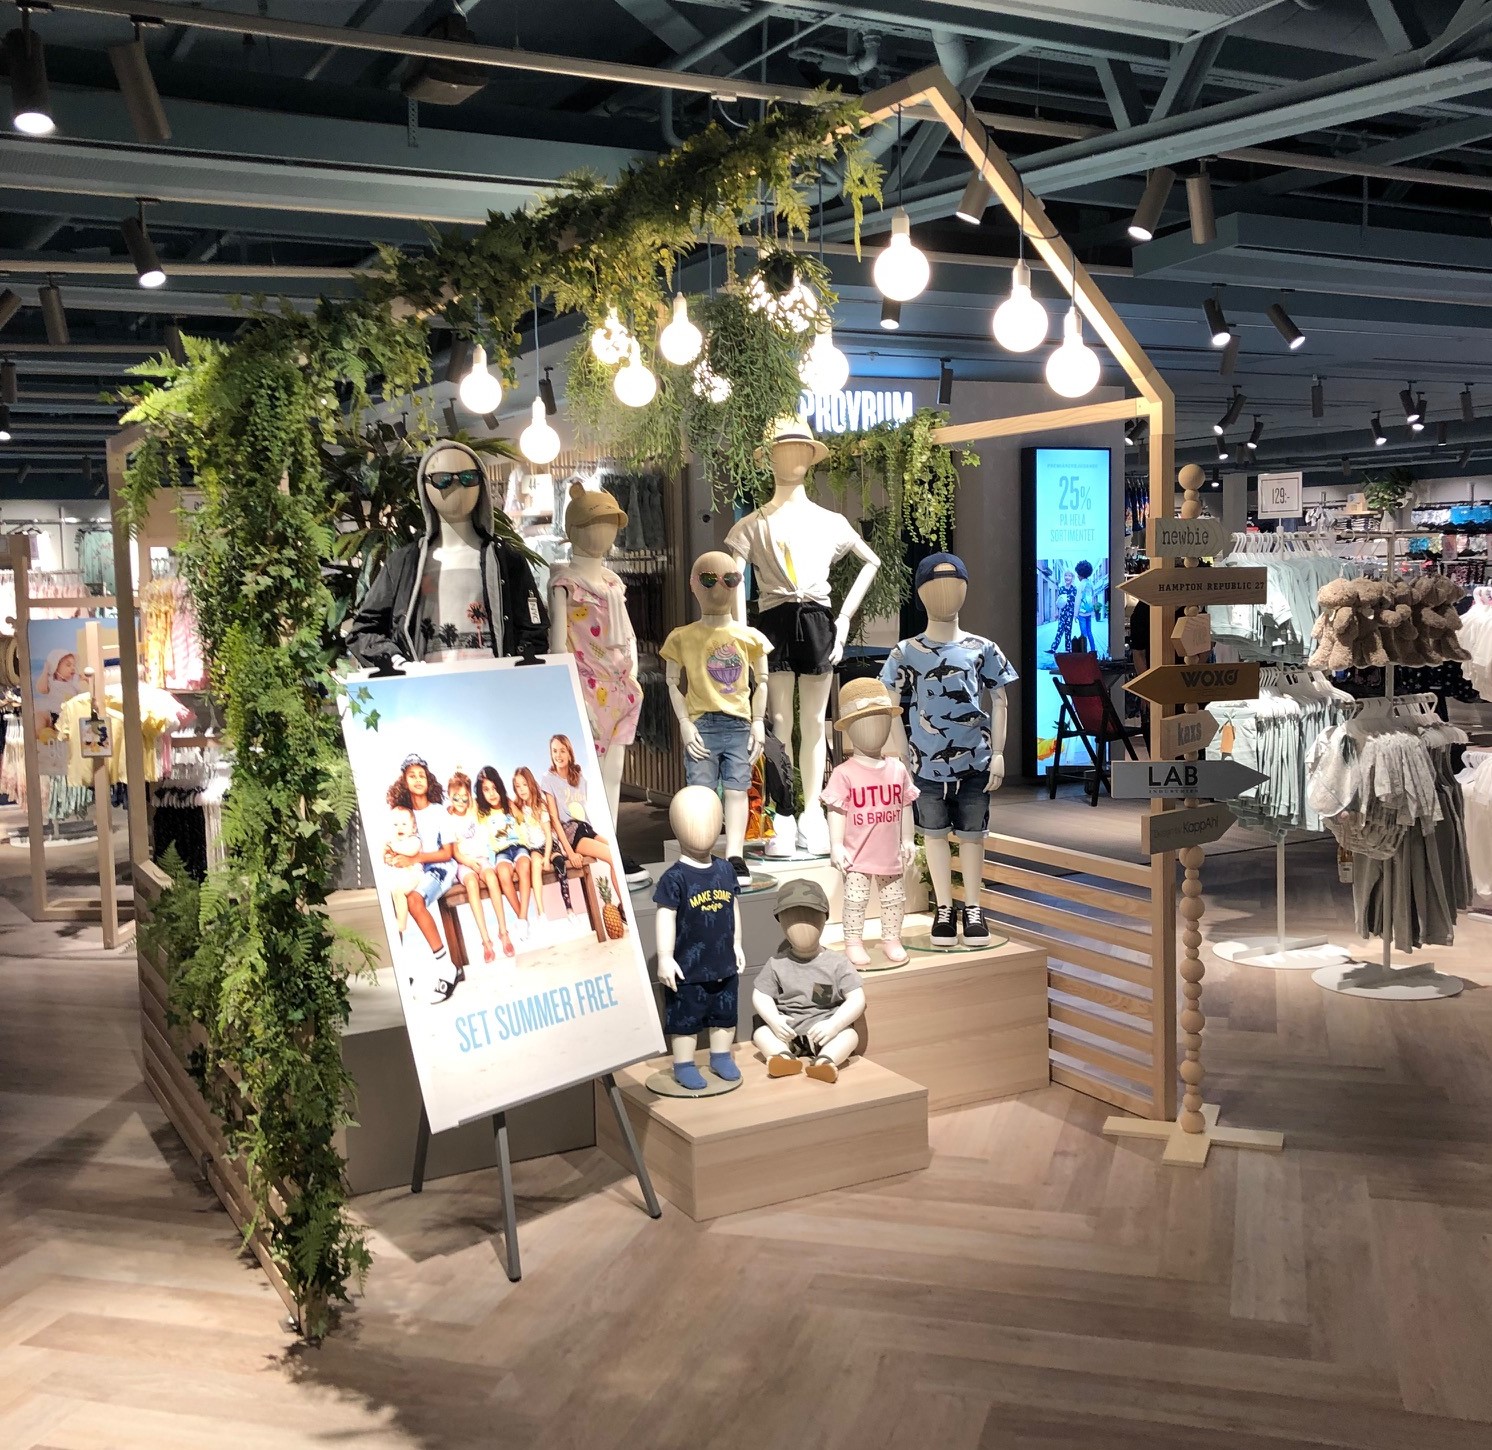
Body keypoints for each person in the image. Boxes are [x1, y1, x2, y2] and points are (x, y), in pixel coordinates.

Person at [384, 754, 460, 1003]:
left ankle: (447, 967)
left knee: (415, 901)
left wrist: (414, 859)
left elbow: (447, 853)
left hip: (440, 868)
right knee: (393, 899)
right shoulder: (403, 814)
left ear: (429, 781)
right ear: (404, 781)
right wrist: (391, 855)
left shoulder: (438, 812)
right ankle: (403, 971)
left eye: (422, 775)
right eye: (412, 775)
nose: (417, 779)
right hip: (415, 870)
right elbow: (394, 842)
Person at [541, 732, 625, 911]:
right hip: (571, 833)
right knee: (612, 856)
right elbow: (555, 820)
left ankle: (623, 906)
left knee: (617, 853)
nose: (558, 755)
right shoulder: (548, 780)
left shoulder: (578, 777)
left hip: (586, 828)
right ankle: (624, 908)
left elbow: (581, 811)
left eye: (562, 750)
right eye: (554, 751)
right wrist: (570, 852)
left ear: (569, 753)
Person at [448, 769, 510, 963]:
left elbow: (475, 789)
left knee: (491, 878)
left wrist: (463, 774)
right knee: (472, 884)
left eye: (464, 797)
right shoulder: (449, 819)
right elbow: (455, 852)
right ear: (449, 797)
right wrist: (469, 863)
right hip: (464, 863)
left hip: (482, 860)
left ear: (469, 796)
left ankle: (503, 932)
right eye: (455, 798)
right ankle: (486, 940)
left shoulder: (473, 810)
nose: (460, 801)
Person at [473, 764, 531, 951]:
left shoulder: (508, 804)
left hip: (519, 847)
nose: (491, 793)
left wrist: (513, 804)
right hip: (502, 852)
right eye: (486, 789)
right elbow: (467, 803)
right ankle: (523, 919)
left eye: (494, 788)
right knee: (503, 874)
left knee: (524, 868)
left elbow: (523, 818)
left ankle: (522, 918)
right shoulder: (482, 812)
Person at [510, 766, 555, 922]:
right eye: (517, 786)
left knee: (539, 862)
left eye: (524, 784)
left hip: (545, 846)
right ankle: (541, 912)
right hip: (532, 850)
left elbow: (548, 835)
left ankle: (542, 911)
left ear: (531, 784)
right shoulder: (519, 808)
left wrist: (547, 857)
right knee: (535, 863)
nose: (522, 789)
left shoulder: (540, 806)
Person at [382, 805, 427, 938]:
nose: (399, 827)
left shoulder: (414, 840)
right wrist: (387, 855)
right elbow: (386, 858)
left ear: (413, 828)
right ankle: (395, 919)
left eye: (404, 824)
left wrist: (394, 847)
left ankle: (401, 924)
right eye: (395, 825)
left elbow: (410, 851)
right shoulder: (395, 842)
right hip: (401, 876)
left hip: (415, 875)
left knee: (400, 891)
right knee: (393, 891)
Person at [33, 647, 77, 735]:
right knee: (39, 715)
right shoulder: (51, 681)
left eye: (74, 665)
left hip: (68, 718)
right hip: (53, 715)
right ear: (56, 667)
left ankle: (56, 733)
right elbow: (41, 689)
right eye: (68, 665)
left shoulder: (73, 683)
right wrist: (46, 670)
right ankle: (44, 734)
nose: (72, 668)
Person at [1074, 559, 1098, 653]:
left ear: (1080, 574)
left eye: (1078, 574)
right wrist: (1093, 612)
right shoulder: (1090, 584)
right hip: (1089, 612)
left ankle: (1084, 652)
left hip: (1082, 613)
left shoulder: (1081, 585)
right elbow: (1093, 597)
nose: (1077, 576)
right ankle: (1093, 650)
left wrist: (1075, 614)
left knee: (1083, 634)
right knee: (1089, 632)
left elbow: (1078, 599)